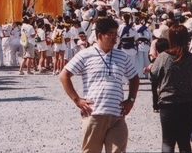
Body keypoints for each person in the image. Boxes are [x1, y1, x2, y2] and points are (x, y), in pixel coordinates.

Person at [59, 17, 140, 153]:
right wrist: (77, 99)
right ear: (99, 35)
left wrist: (131, 99)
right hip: (94, 114)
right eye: (111, 34)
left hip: (117, 115)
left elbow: (134, 78)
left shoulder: (122, 56)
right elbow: (64, 76)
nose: (115, 38)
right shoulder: (85, 54)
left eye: (116, 34)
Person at [150, 24, 192, 153]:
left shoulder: (164, 57)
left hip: (168, 102)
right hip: (187, 102)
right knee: (184, 141)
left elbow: (153, 75)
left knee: (168, 141)